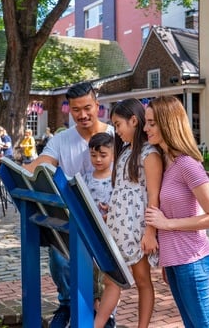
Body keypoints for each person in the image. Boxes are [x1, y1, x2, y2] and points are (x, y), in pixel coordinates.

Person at [0, 81, 113, 328]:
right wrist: (9, 168)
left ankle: (104, 314)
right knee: (59, 258)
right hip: (70, 219)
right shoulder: (62, 140)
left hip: (107, 218)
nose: (83, 114)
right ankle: (67, 304)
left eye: (87, 107)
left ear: (97, 105)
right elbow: (39, 165)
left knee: (105, 272)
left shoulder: (115, 136)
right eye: (76, 109)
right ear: (69, 109)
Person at [143, 96, 209, 328]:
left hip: (192, 260)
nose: (145, 128)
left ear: (167, 124)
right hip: (175, 261)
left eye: (151, 123)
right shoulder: (167, 162)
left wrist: (167, 223)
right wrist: (167, 261)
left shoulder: (188, 164)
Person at [94, 98, 163, 328]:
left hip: (137, 231)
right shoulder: (124, 153)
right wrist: (112, 209)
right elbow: (124, 191)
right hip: (118, 228)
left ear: (133, 120)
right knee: (112, 281)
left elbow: (153, 196)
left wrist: (150, 232)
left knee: (143, 281)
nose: (116, 130)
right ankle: (97, 325)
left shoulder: (149, 154)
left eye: (118, 124)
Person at [83, 132, 115, 323]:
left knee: (108, 277)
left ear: (112, 155)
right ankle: (94, 309)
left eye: (103, 155)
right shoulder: (85, 178)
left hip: (110, 236)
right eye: (94, 155)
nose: (98, 159)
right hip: (90, 235)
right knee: (91, 274)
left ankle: (109, 314)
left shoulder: (116, 178)